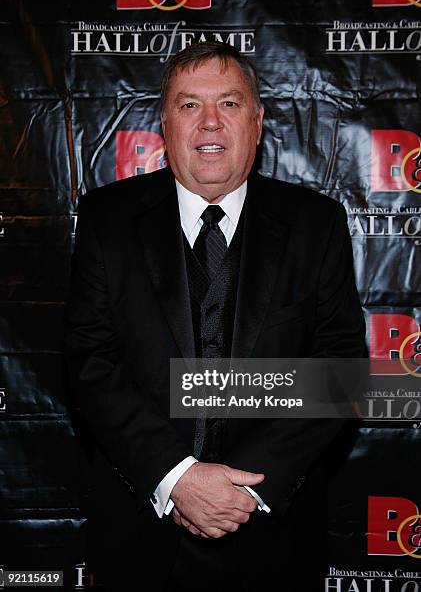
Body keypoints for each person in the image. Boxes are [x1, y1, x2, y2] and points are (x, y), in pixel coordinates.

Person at [64, 42, 366, 592]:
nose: (209, 122)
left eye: (229, 103)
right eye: (188, 105)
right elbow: (90, 361)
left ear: (257, 121)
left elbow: (341, 371)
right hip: (140, 534)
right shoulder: (108, 220)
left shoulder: (314, 224)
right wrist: (177, 479)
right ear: (164, 122)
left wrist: (241, 492)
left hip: (273, 535)